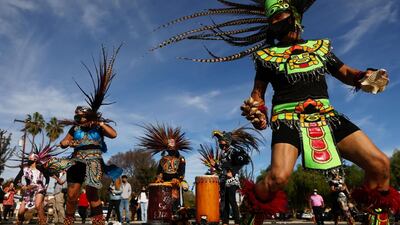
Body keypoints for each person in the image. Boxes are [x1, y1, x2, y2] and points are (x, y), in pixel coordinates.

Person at [153, 1, 399, 224]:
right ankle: (254, 207)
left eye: (279, 17)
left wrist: (365, 77)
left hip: (327, 116)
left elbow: (345, 72)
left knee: (379, 165)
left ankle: (376, 217)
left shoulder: (320, 49)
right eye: (271, 20)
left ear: (294, 17)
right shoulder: (265, 57)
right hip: (287, 119)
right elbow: (257, 94)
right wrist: (257, 111)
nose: (275, 23)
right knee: (278, 178)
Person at [58, 46, 122, 225]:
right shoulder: (74, 129)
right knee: (71, 194)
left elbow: (114, 134)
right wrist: (64, 143)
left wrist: (100, 123)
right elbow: (64, 141)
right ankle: (68, 220)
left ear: (89, 116)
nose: (79, 119)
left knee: (93, 192)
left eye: (81, 117)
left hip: (94, 161)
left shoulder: (99, 128)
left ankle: (98, 221)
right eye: (77, 117)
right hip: (76, 162)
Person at [199, 127, 261, 225]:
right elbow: (221, 168)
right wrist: (214, 164)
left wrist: (233, 171)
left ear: (227, 142)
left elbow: (243, 161)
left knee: (232, 200)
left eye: (223, 144)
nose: (222, 147)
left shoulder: (234, 151)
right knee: (224, 203)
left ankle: (237, 222)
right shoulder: (223, 154)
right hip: (223, 180)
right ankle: (225, 222)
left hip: (232, 181)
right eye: (220, 145)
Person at [138, 123, 191, 213]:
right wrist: (159, 177)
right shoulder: (163, 159)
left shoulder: (181, 158)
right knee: (165, 203)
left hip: (175, 184)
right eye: (169, 149)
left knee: (175, 202)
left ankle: (176, 215)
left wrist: (178, 179)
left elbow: (182, 171)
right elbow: (159, 171)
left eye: (172, 149)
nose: (171, 150)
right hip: (165, 184)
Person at [14, 153, 49, 225]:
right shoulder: (25, 169)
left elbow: (47, 178)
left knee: (38, 205)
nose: (29, 160)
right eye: (28, 158)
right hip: (29, 190)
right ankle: (20, 221)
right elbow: (16, 181)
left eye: (30, 158)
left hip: (40, 188)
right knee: (21, 211)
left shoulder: (41, 168)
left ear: (35, 159)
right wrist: (22, 186)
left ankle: (43, 222)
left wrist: (45, 187)